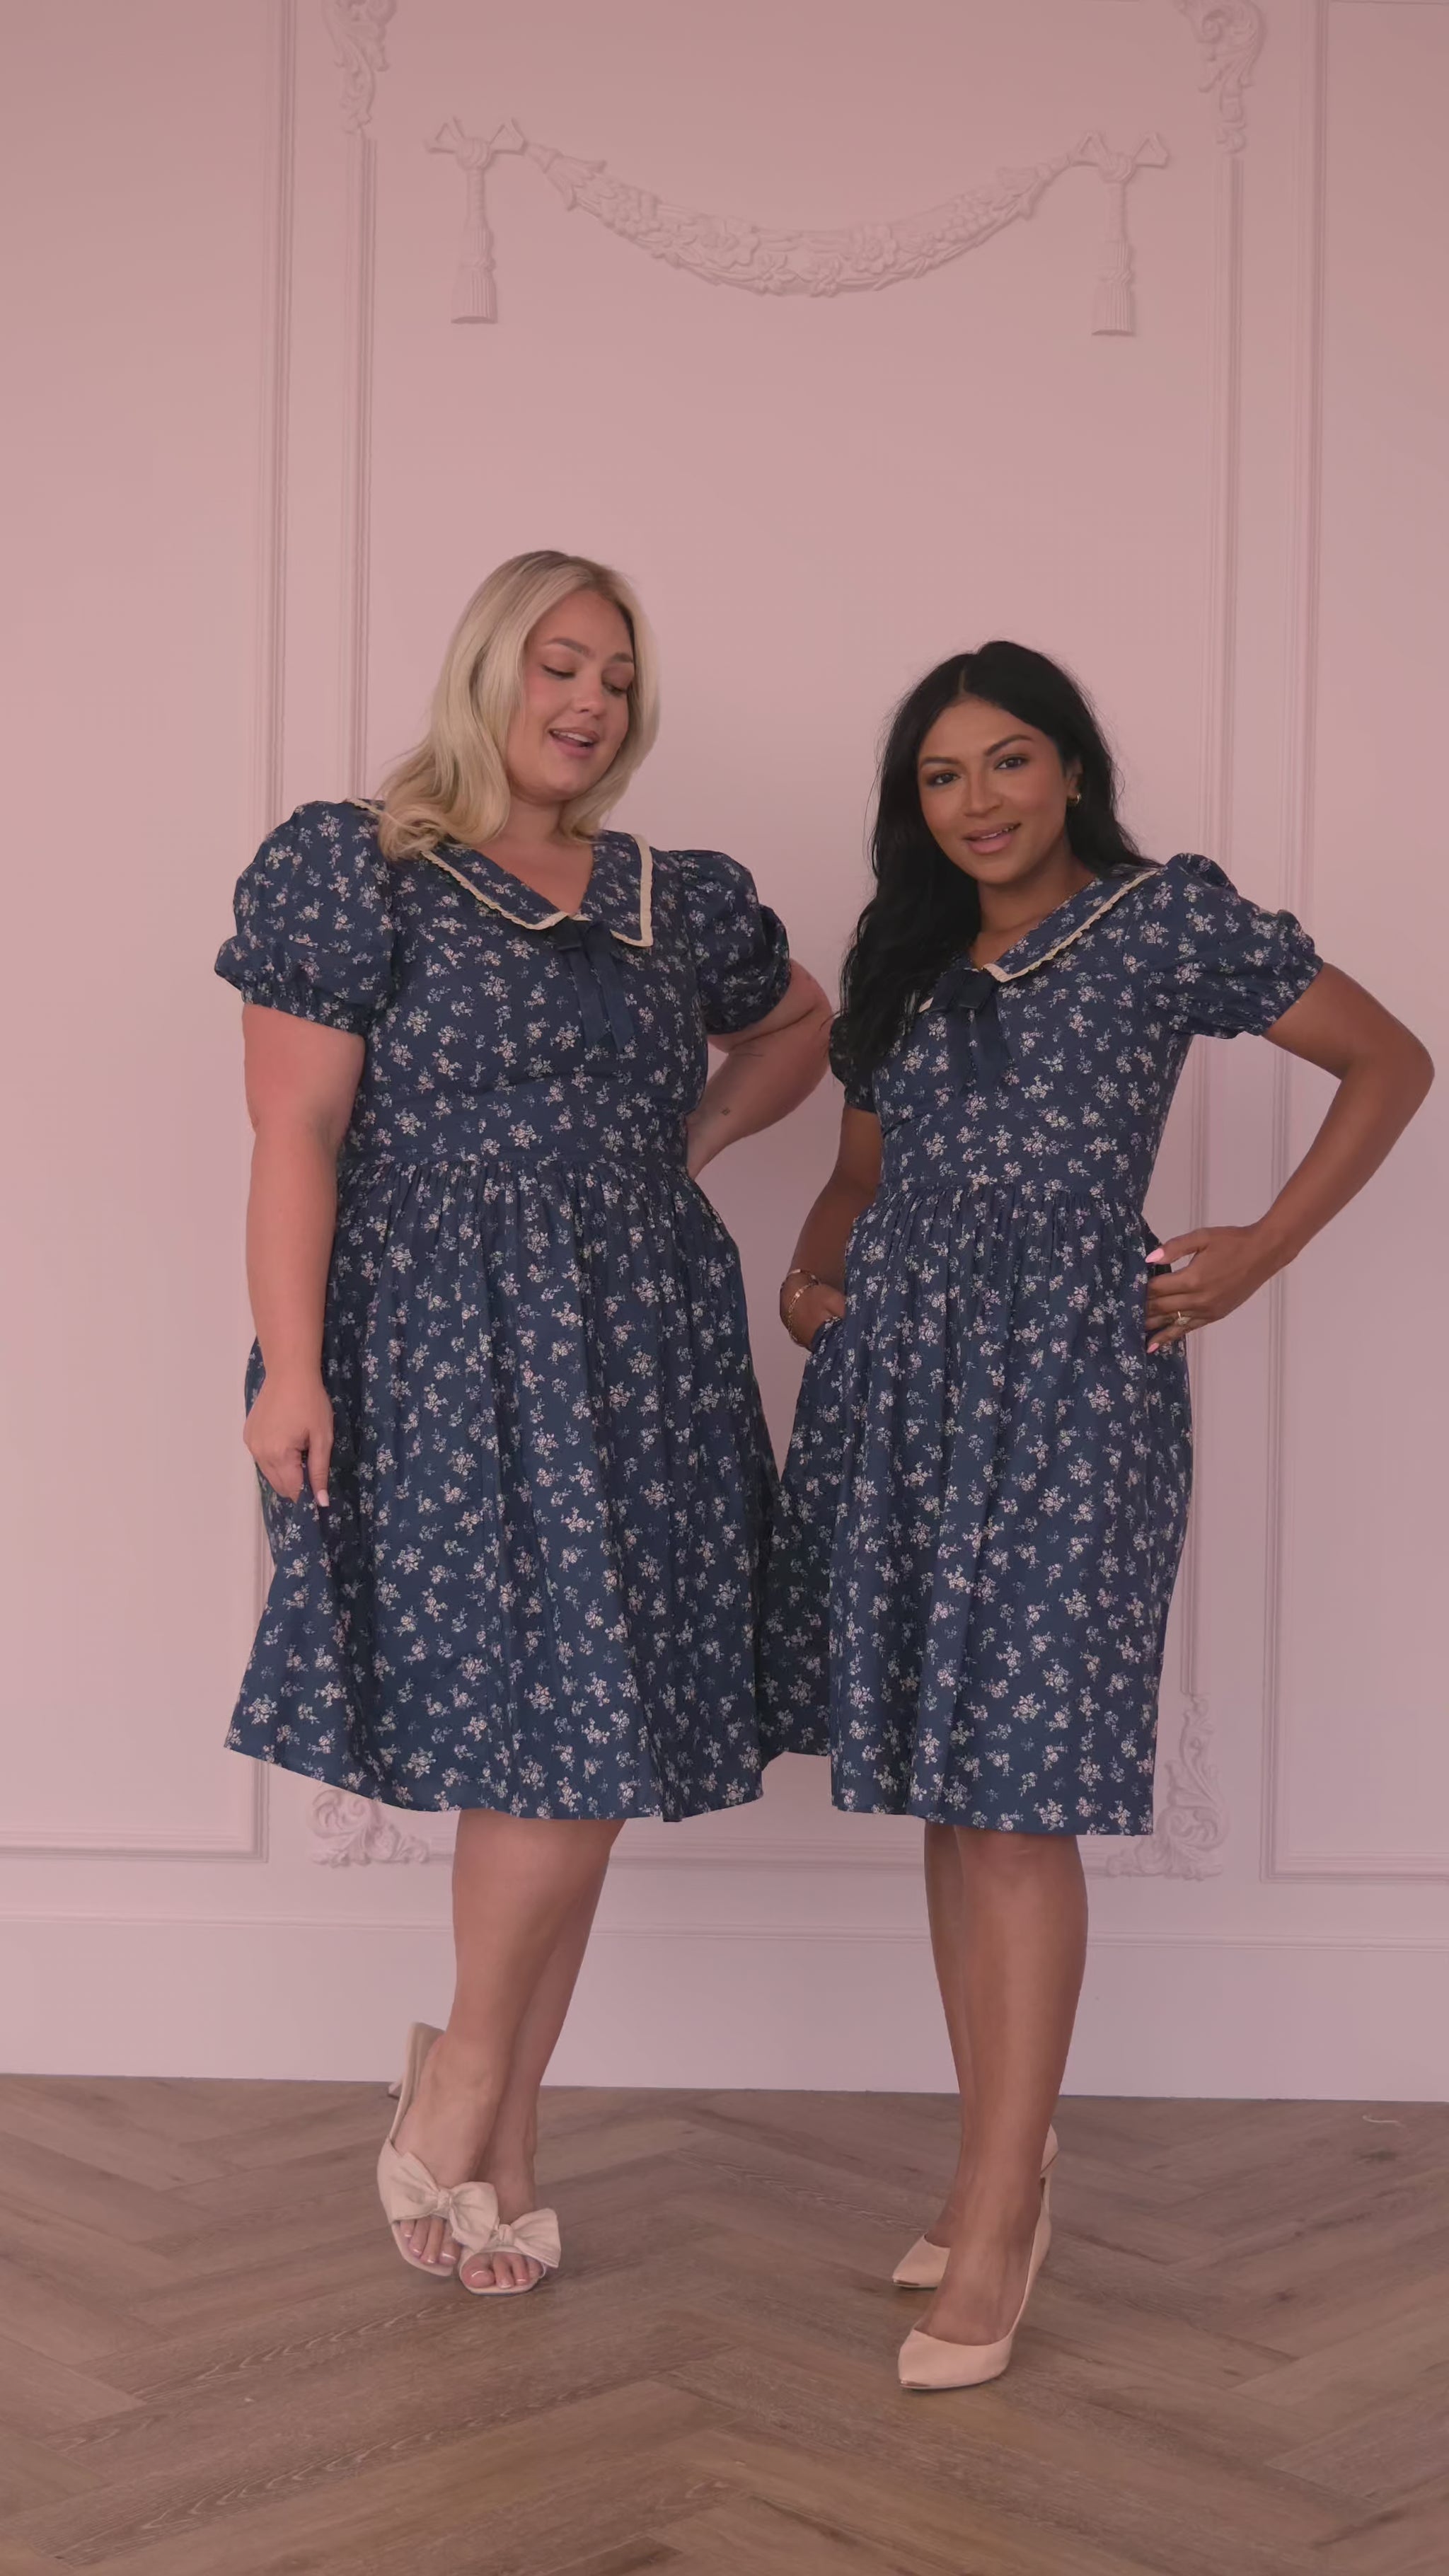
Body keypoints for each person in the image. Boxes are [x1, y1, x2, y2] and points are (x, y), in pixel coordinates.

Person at [761, 642, 1431, 2390]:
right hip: (898, 1399)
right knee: (942, 1791)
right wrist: (812, 1286)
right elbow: (853, 1182)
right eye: (940, 775)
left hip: (1070, 1393)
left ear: (1070, 770)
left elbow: (1389, 1062)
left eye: (1008, 761)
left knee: (1017, 1802)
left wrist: (1257, 1251)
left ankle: (1004, 2213)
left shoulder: (1162, 923)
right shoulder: (904, 959)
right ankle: (992, 2159)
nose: (976, 801)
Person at [217, 550, 831, 2294]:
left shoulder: (667, 898)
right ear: (486, 669)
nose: (589, 703)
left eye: (617, 679)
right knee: (533, 1725)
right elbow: (295, 1130)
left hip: (644, 1341)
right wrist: (292, 1365)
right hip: (435, 1336)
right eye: (559, 664)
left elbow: (802, 1021)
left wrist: (696, 1137)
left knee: (594, 1728)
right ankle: (473, 2075)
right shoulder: (358, 869)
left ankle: (495, 2109)